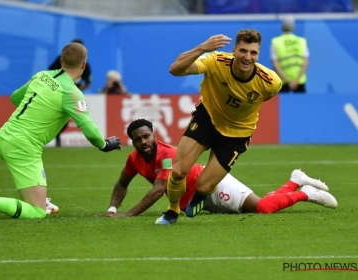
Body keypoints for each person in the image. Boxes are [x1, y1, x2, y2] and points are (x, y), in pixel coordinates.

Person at [0, 42, 121, 221]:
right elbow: (89, 130)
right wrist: (105, 145)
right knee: (36, 213)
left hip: (4, 137)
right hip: (23, 147)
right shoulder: (72, 93)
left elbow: (15, 98)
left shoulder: (41, 75)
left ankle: (42, 200)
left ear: (61, 61)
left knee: (37, 194)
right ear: (83, 65)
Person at [101, 119, 337, 222]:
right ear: (132, 142)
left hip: (211, 185)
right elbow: (122, 183)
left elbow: (158, 189)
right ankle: (294, 181)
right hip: (196, 203)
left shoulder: (166, 154)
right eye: (138, 139)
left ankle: (306, 193)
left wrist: (128, 214)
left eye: (147, 136)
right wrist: (113, 208)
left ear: (154, 135)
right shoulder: (134, 159)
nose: (144, 142)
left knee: (263, 208)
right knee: (258, 208)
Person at [158, 29, 282, 224]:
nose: (247, 57)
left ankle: (205, 192)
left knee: (204, 186)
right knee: (178, 171)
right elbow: (175, 69)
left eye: (253, 53)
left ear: (258, 55)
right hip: (207, 119)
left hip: (237, 134)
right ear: (234, 50)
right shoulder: (216, 61)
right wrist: (202, 48)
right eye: (243, 51)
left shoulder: (270, 82)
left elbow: (267, 96)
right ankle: (172, 210)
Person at [49, 39, 93, 147]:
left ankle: (57, 136)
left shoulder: (86, 66)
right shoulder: (59, 61)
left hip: (73, 94)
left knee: (68, 118)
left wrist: (77, 91)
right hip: (58, 92)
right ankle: (54, 136)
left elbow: (88, 82)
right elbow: (50, 72)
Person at [270, 15, 309, 93]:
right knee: (301, 104)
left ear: (282, 26)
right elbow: (305, 63)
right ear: (293, 27)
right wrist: (296, 81)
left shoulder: (276, 42)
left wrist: (288, 81)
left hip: (283, 82)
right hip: (299, 81)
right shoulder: (301, 41)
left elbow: (275, 65)